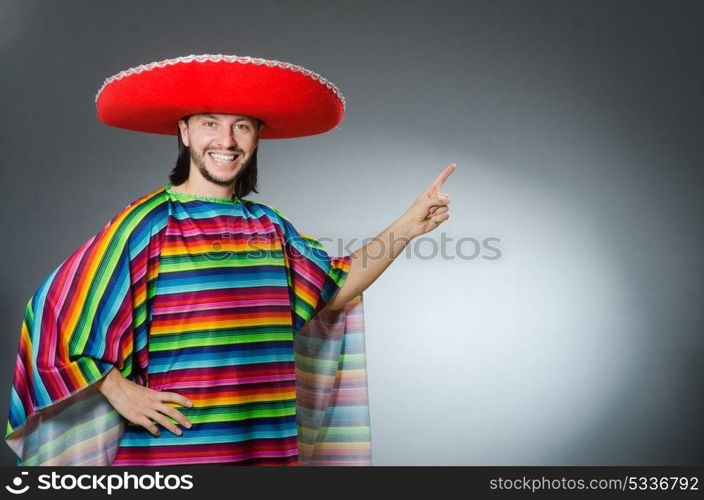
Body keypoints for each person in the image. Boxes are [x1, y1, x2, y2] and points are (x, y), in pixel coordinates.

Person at [4, 54, 454, 466]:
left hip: (269, 447)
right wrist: (118, 391)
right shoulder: (149, 223)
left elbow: (335, 290)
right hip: (177, 454)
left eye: (241, 125)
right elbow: (52, 313)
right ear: (184, 132)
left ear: (257, 136)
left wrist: (409, 226)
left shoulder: (271, 226)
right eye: (210, 124)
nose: (226, 140)